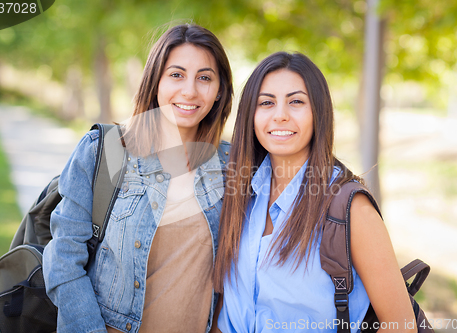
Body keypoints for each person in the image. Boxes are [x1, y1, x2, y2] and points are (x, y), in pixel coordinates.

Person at [43, 23, 233, 333]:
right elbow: (63, 259)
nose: (190, 90)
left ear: (219, 91)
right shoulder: (103, 151)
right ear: (155, 80)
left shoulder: (233, 163)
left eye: (205, 78)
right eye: (176, 75)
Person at [212, 52, 416, 333]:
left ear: (318, 112)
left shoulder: (349, 208)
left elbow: (401, 326)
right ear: (251, 113)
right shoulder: (239, 194)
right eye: (266, 102)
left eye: (296, 101)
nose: (280, 115)